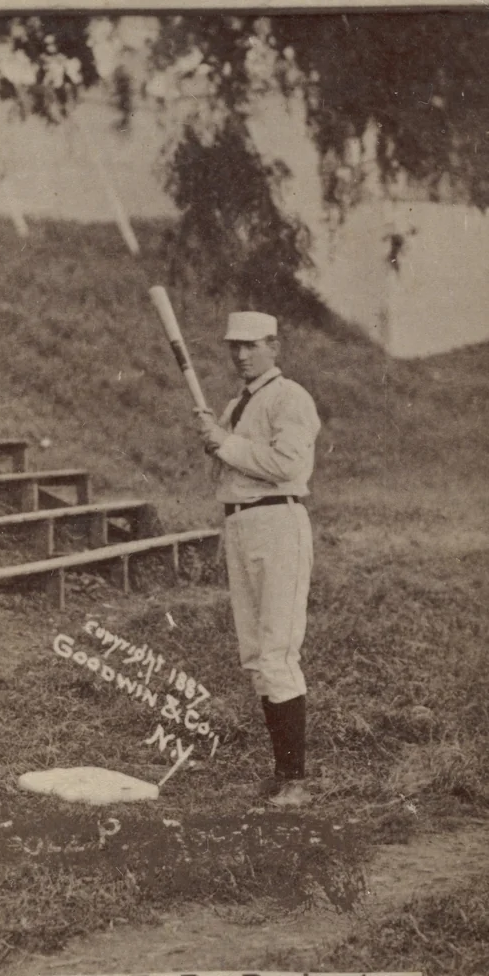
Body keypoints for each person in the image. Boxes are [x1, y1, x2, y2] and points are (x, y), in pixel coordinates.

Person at [195, 311, 321, 808]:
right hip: (241, 524)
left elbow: (287, 464)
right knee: (255, 655)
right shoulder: (237, 404)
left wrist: (225, 442)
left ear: (274, 345)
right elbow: (231, 467)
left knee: (277, 653)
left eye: (252, 345)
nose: (241, 354)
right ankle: (280, 774)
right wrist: (216, 437)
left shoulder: (290, 397)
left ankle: (295, 781)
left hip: (278, 522)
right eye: (235, 346)